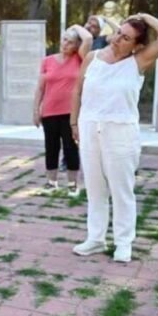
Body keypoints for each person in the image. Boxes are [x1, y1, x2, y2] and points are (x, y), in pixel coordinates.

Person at [70, 13, 158, 263]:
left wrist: (145, 18)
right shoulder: (93, 57)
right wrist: (74, 122)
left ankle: (123, 242)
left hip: (121, 132)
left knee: (121, 189)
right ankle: (95, 238)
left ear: (137, 45)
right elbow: (77, 90)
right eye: (118, 32)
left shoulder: (139, 61)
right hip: (89, 127)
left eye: (126, 37)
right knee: (95, 188)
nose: (117, 38)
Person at [33, 25, 93, 195]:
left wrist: (75, 27)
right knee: (51, 147)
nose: (65, 44)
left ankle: (73, 184)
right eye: (64, 39)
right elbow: (40, 88)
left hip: (71, 112)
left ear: (76, 46)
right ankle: (51, 183)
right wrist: (36, 110)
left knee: (70, 147)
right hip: (49, 111)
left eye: (70, 41)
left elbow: (88, 38)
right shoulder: (47, 61)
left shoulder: (80, 59)